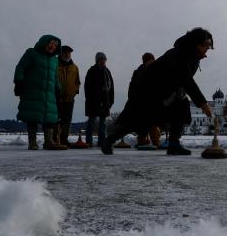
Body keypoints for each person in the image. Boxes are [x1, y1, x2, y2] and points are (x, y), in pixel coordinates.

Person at [102, 27, 214, 155]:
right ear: (196, 43)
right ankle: (109, 140)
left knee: (181, 105)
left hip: (167, 92)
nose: (208, 48)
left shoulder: (193, 57)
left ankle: (174, 144)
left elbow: (182, 81)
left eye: (209, 45)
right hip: (149, 92)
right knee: (137, 121)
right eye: (206, 45)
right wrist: (203, 104)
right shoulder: (179, 54)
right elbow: (186, 79)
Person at [14, 35, 66, 150]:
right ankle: (32, 142)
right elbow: (21, 67)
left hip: (49, 93)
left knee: (50, 118)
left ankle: (49, 141)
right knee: (33, 116)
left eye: (55, 45)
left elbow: (55, 76)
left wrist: (58, 88)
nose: (53, 46)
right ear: (44, 42)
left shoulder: (54, 60)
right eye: (51, 43)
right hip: (32, 91)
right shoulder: (32, 53)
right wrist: (19, 82)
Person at [129, 52, 161, 147]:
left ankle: (155, 142)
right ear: (145, 62)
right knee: (143, 122)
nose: (152, 62)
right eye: (150, 61)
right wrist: (132, 99)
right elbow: (132, 87)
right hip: (141, 102)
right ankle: (142, 141)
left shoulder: (157, 70)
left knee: (154, 123)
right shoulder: (138, 72)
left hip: (153, 101)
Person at [84, 52, 114, 147]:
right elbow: (87, 87)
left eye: (104, 59)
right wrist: (89, 99)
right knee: (91, 121)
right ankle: (88, 141)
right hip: (93, 101)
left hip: (105, 101)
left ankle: (102, 141)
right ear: (97, 60)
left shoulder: (107, 72)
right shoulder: (92, 70)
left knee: (103, 123)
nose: (103, 61)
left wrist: (111, 100)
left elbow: (111, 87)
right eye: (101, 59)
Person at [54, 45, 81, 146]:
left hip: (69, 99)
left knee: (67, 120)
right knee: (55, 120)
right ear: (61, 53)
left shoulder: (74, 67)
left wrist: (74, 92)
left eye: (69, 53)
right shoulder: (55, 64)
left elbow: (77, 82)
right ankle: (54, 139)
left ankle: (64, 139)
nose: (67, 54)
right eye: (65, 52)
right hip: (56, 98)